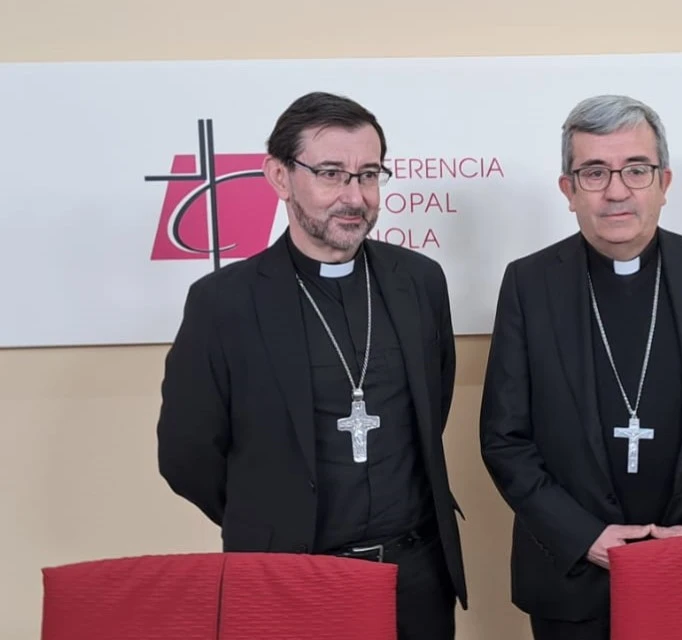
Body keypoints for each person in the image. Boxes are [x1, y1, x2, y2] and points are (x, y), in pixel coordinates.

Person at [157, 91, 466, 640]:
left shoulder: (420, 282)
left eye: (368, 174)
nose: (355, 196)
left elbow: (432, 405)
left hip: (416, 577)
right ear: (280, 176)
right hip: (291, 579)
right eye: (331, 173)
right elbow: (187, 456)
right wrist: (269, 519)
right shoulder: (224, 303)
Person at [479, 94, 682, 640]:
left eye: (635, 170)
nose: (616, 190)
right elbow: (505, 440)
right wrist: (584, 536)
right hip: (569, 576)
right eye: (593, 172)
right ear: (567, 191)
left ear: (664, 182)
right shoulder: (529, 284)